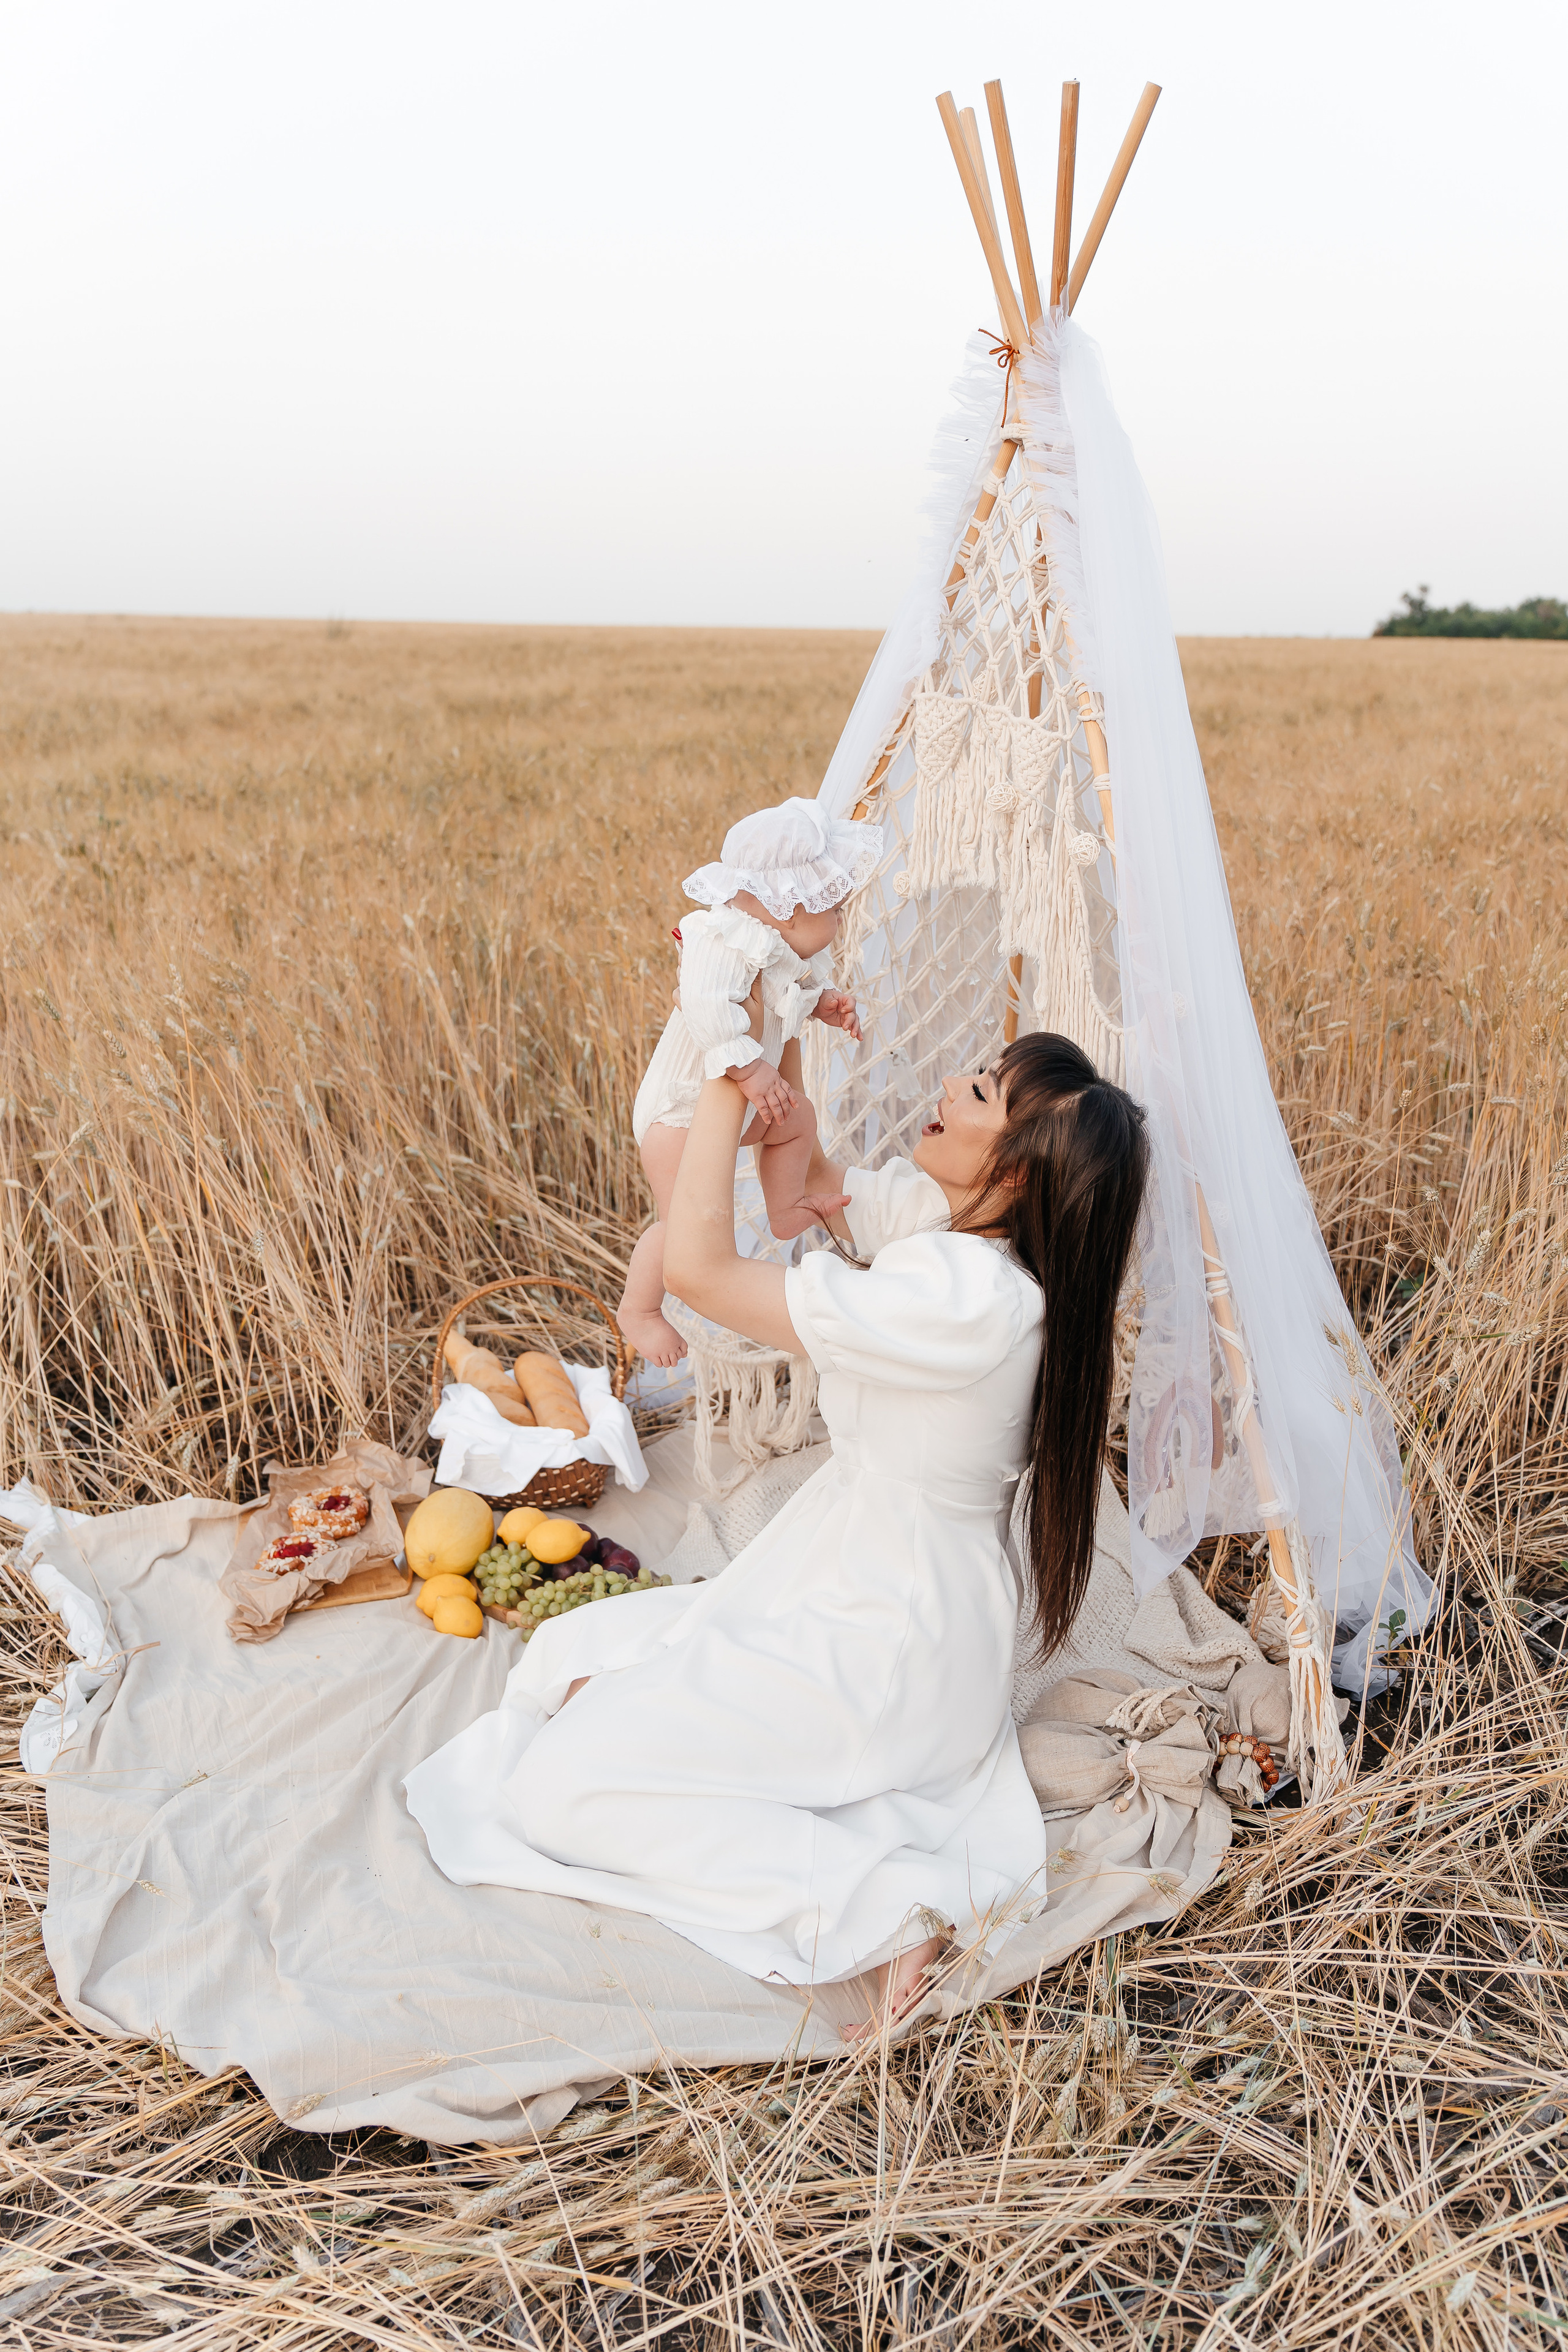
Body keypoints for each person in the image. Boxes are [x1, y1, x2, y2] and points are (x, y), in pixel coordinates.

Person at [406, 1032, 1148, 2035]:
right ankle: (782, 1779)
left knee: (552, 1793)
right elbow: (814, 1191)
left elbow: (706, 1273)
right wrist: (779, 1067)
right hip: (865, 1581)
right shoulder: (962, 1234)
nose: (947, 1085)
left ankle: (883, 1908)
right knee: (589, 1653)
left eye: (977, 1091)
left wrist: (720, 1080)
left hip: (888, 1640)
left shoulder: (963, 1301)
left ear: (1012, 1171)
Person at [616, 797, 881, 1366]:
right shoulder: (722, 940)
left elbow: (783, 995)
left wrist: (822, 1005)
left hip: (726, 1112)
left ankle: (785, 1208)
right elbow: (705, 1007)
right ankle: (638, 1309)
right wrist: (752, 1068)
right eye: (835, 908)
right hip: (677, 1116)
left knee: (798, 1118)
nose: (841, 920)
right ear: (790, 909)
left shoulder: (774, 946)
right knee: (683, 1227)